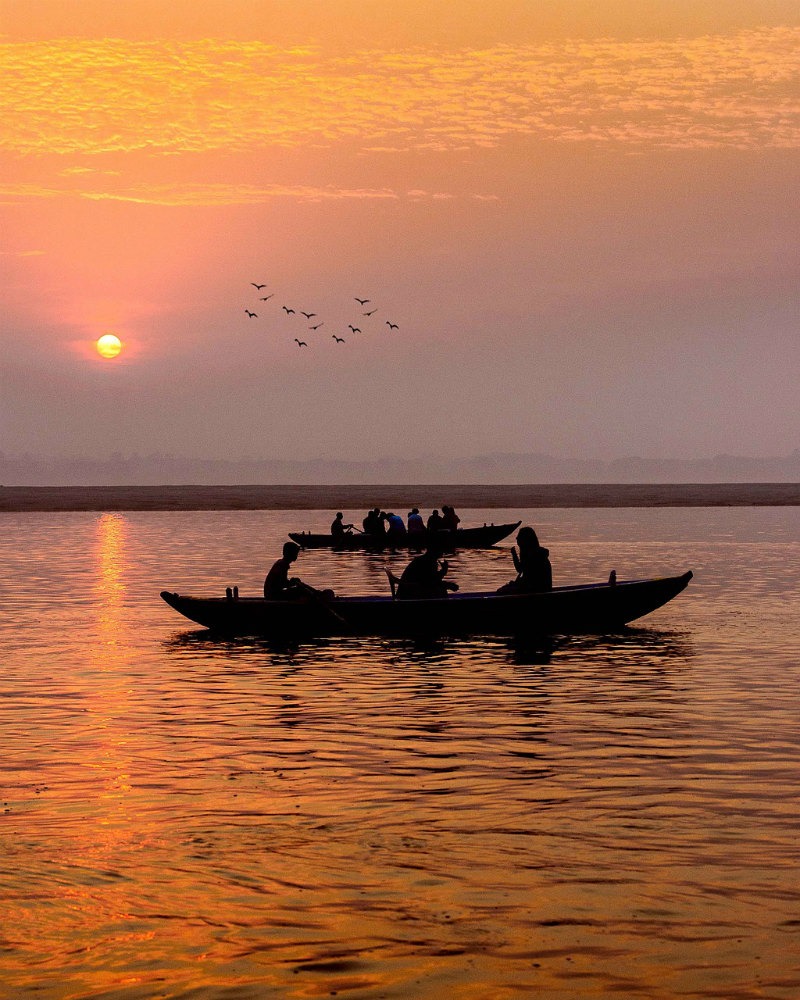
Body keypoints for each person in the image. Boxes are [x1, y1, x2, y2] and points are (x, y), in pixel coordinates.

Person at [497, 526, 552, 594]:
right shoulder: (529, 554)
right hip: (533, 588)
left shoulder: (535, 555)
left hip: (537, 590)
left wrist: (516, 585)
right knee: (503, 590)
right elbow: (521, 570)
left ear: (525, 540)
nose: (516, 538)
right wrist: (514, 555)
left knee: (502, 591)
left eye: (519, 537)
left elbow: (530, 579)